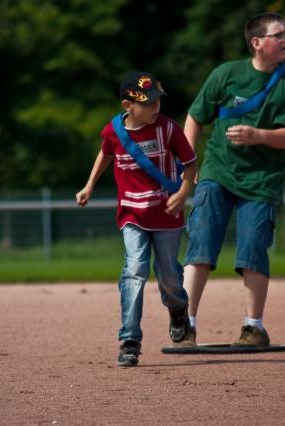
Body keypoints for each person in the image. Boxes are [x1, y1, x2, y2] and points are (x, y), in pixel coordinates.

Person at [182, 12, 285, 347]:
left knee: (253, 247)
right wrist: (190, 165)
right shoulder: (227, 74)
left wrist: (259, 135)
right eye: (279, 35)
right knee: (202, 240)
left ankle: (253, 327)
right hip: (218, 172)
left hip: (261, 180)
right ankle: (185, 324)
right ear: (257, 43)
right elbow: (195, 117)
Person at [76, 71, 198, 366]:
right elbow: (105, 153)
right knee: (135, 270)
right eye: (148, 103)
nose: (156, 107)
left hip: (166, 213)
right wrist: (90, 184)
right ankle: (130, 340)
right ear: (128, 105)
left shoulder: (168, 129)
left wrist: (183, 193)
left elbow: (192, 164)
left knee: (168, 275)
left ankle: (178, 310)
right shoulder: (113, 131)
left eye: (158, 100)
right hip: (131, 212)